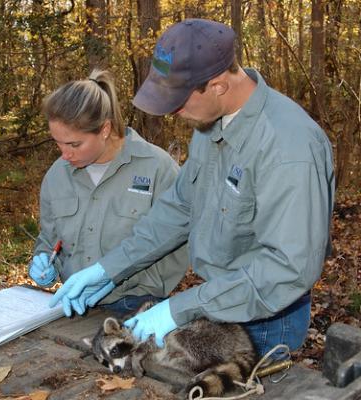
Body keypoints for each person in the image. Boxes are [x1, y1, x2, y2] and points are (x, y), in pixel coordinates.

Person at [50, 19, 335, 357]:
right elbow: (179, 209)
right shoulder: (209, 126)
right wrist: (107, 270)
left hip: (267, 318)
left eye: (179, 102)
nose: (173, 112)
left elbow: (287, 268)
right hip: (217, 305)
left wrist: (178, 309)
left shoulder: (289, 148)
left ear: (217, 85)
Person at [28, 69, 188, 316]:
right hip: (71, 308)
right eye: (57, 143)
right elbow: (50, 240)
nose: (64, 154)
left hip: (138, 308)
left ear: (104, 129)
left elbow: (175, 238)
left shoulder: (158, 168)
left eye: (74, 144)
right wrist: (42, 262)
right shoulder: (57, 175)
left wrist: (112, 275)